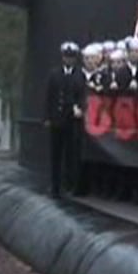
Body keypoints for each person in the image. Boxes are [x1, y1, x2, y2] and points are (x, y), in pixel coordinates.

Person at [45, 41, 88, 199]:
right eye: (66, 57)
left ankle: (70, 185)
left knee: (71, 155)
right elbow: (49, 97)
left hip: (72, 121)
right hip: (57, 120)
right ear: (62, 57)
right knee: (55, 154)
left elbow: (83, 96)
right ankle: (55, 186)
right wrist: (48, 118)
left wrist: (80, 108)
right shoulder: (54, 74)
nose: (69, 60)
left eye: (71, 57)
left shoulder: (79, 75)